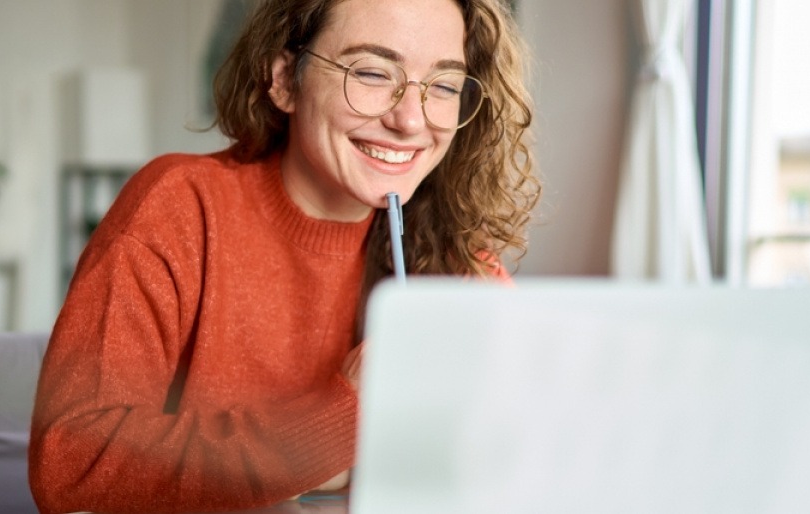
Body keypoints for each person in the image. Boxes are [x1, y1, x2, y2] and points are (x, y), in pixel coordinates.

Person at [29, 0, 538, 512]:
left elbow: (528, 455)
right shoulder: (179, 207)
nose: (410, 119)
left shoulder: (456, 260)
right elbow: (71, 462)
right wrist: (340, 421)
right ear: (284, 81)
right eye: (371, 72)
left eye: (445, 85)